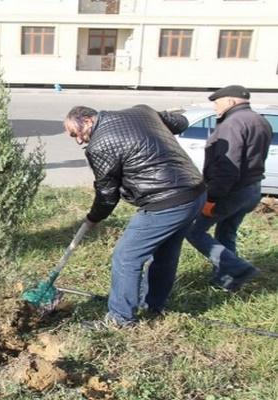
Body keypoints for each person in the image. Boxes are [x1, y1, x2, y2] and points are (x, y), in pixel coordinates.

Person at [64, 105, 206, 327]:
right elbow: (182, 123)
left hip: (164, 202)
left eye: (76, 134)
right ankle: (153, 306)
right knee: (166, 253)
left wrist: (93, 217)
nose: (79, 141)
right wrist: (155, 121)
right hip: (194, 193)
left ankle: (120, 319)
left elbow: (107, 194)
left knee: (126, 256)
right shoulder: (142, 111)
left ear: (88, 121)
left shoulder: (100, 144)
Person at [185, 85, 272, 292]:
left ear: (231, 102)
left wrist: (211, 199)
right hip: (252, 189)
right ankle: (226, 281)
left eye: (217, 102)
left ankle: (237, 268)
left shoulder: (232, 124)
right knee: (226, 232)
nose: (215, 107)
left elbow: (227, 167)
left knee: (193, 231)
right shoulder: (260, 120)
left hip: (231, 191)